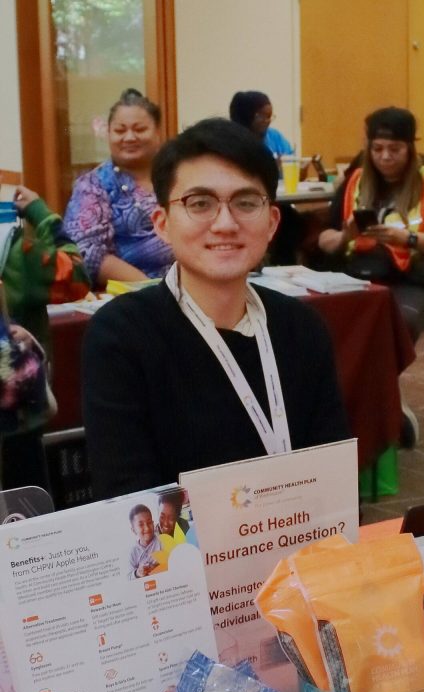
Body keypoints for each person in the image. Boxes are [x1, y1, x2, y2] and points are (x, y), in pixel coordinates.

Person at [82, 117, 349, 500]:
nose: (225, 224)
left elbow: (335, 480)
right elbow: (133, 501)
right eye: (200, 204)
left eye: (246, 203)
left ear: (272, 222)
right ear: (162, 223)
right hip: (182, 542)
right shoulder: (121, 337)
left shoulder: (302, 328)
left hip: (301, 535)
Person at [318, 106, 424, 343]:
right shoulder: (355, 181)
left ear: (410, 149)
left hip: (414, 279)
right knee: (319, 318)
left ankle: (378, 369)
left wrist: (407, 239)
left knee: (396, 322)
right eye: (377, 149)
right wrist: (345, 236)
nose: (385, 156)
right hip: (357, 274)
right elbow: (325, 239)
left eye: (394, 149)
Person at [0, 182, 90, 491]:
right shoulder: (18, 254)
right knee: (26, 500)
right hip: (17, 412)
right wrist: (41, 214)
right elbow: (77, 277)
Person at [64, 88, 173, 287]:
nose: (129, 137)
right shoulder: (93, 185)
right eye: (120, 131)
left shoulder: (178, 176)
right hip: (131, 294)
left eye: (140, 129)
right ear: (108, 134)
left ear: (158, 132)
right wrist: (154, 291)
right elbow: (87, 251)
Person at [229, 91, 294, 159]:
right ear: (249, 116)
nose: (268, 121)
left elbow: (291, 158)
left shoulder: (274, 136)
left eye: (269, 117)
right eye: (264, 117)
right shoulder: (234, 141)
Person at [128, 503, 162, 579]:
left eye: (149, 523)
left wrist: (158, 568)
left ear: (153, 523)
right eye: (141, 525)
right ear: (133, 530)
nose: (147, 528)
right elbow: (128, 577)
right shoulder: (133, 552)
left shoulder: (161, 542)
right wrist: (137, 573)